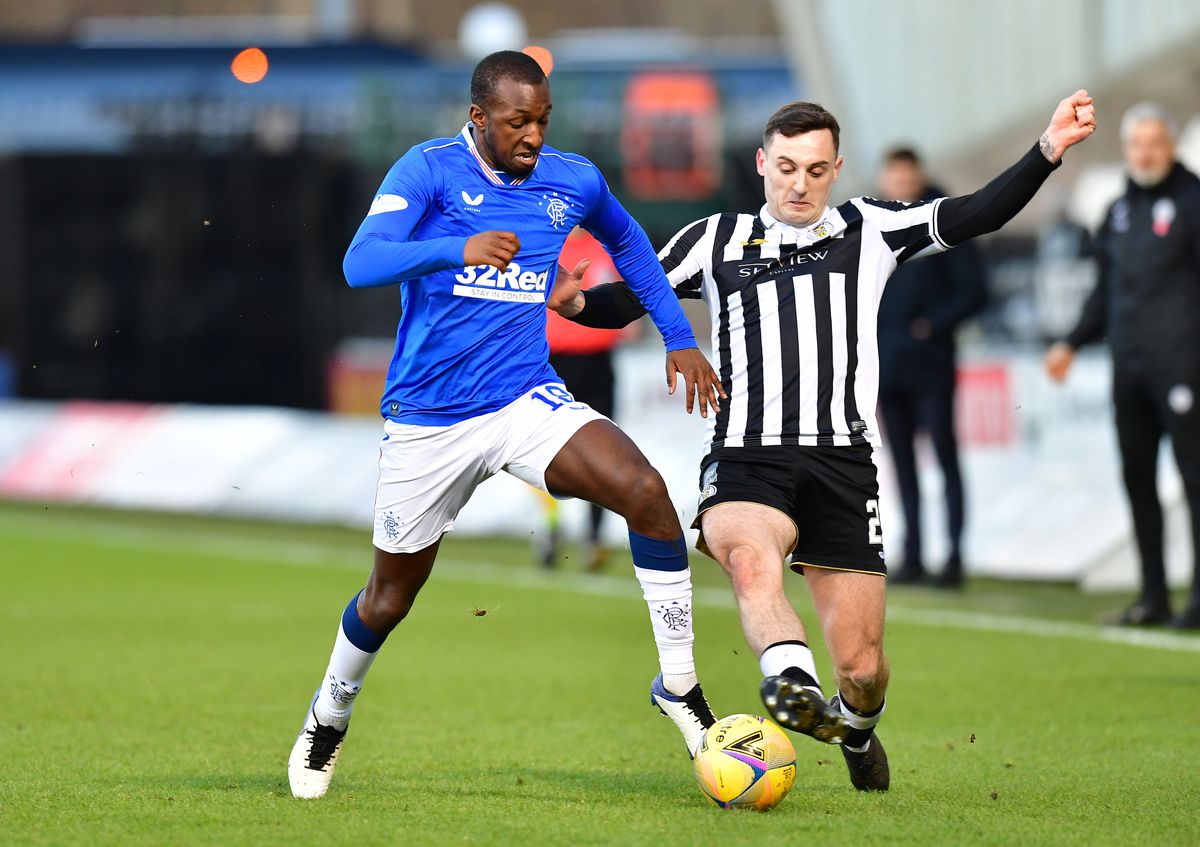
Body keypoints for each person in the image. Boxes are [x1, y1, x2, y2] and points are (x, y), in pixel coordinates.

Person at [551, 91, 1097, 791]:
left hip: (843, 463)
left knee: (864, 670)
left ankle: (854, 726)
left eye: (814, 169)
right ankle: (791, 679)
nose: (799, 183)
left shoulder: (869, 227)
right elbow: (628, 298)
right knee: (751, 560)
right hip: (747, 455)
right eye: (785, 167)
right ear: (761, 164)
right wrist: (575, 302)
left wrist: (1046, 150)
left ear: (836, 169)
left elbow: (974, 213)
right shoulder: (711, 239)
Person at [287, 51, 726, 800]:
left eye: (542, 120)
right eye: (517, 121)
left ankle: (680, 686)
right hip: (428, 419)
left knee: (648, 492)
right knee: (388, 598)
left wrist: (678, 335)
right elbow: (361, 262)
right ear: (478, 117)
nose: (532, 135)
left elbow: (628, 244)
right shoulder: (426, 170)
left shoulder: (573, 179)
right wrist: (455, 247)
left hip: (525, 398)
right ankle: (330, 712)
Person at [1045, 102, 1200, 631]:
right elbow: (1104, 292)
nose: (1146, 154)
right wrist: (1071, 341)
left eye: (1155, 144)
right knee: (1138, 479)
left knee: (1195, 479)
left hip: (1183, 366)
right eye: (1137, 145)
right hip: (1128, 369)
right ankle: (1153, 595)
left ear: (1171, 146)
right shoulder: (1117, 210)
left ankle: (1198, 598)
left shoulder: (1193, 200)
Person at [875, 148, 988, 587]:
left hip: (932, 366)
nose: (900, 182)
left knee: (944, 457)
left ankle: (955, 556)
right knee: (901, 465)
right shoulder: (875, 226)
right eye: (893, 175)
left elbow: (975, 291)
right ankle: (914, 554)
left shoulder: (948, 223)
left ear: (918, 175)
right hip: (889, 367)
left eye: (907, 174)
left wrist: (930, 327)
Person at [538, 228, 628, 572]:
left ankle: (594, 537)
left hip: (597, 361)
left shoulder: (605, 247)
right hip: (553, 362)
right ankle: (550, 529)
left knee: (603, 454)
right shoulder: (544, 241)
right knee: (545, 451)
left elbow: (624, 304)